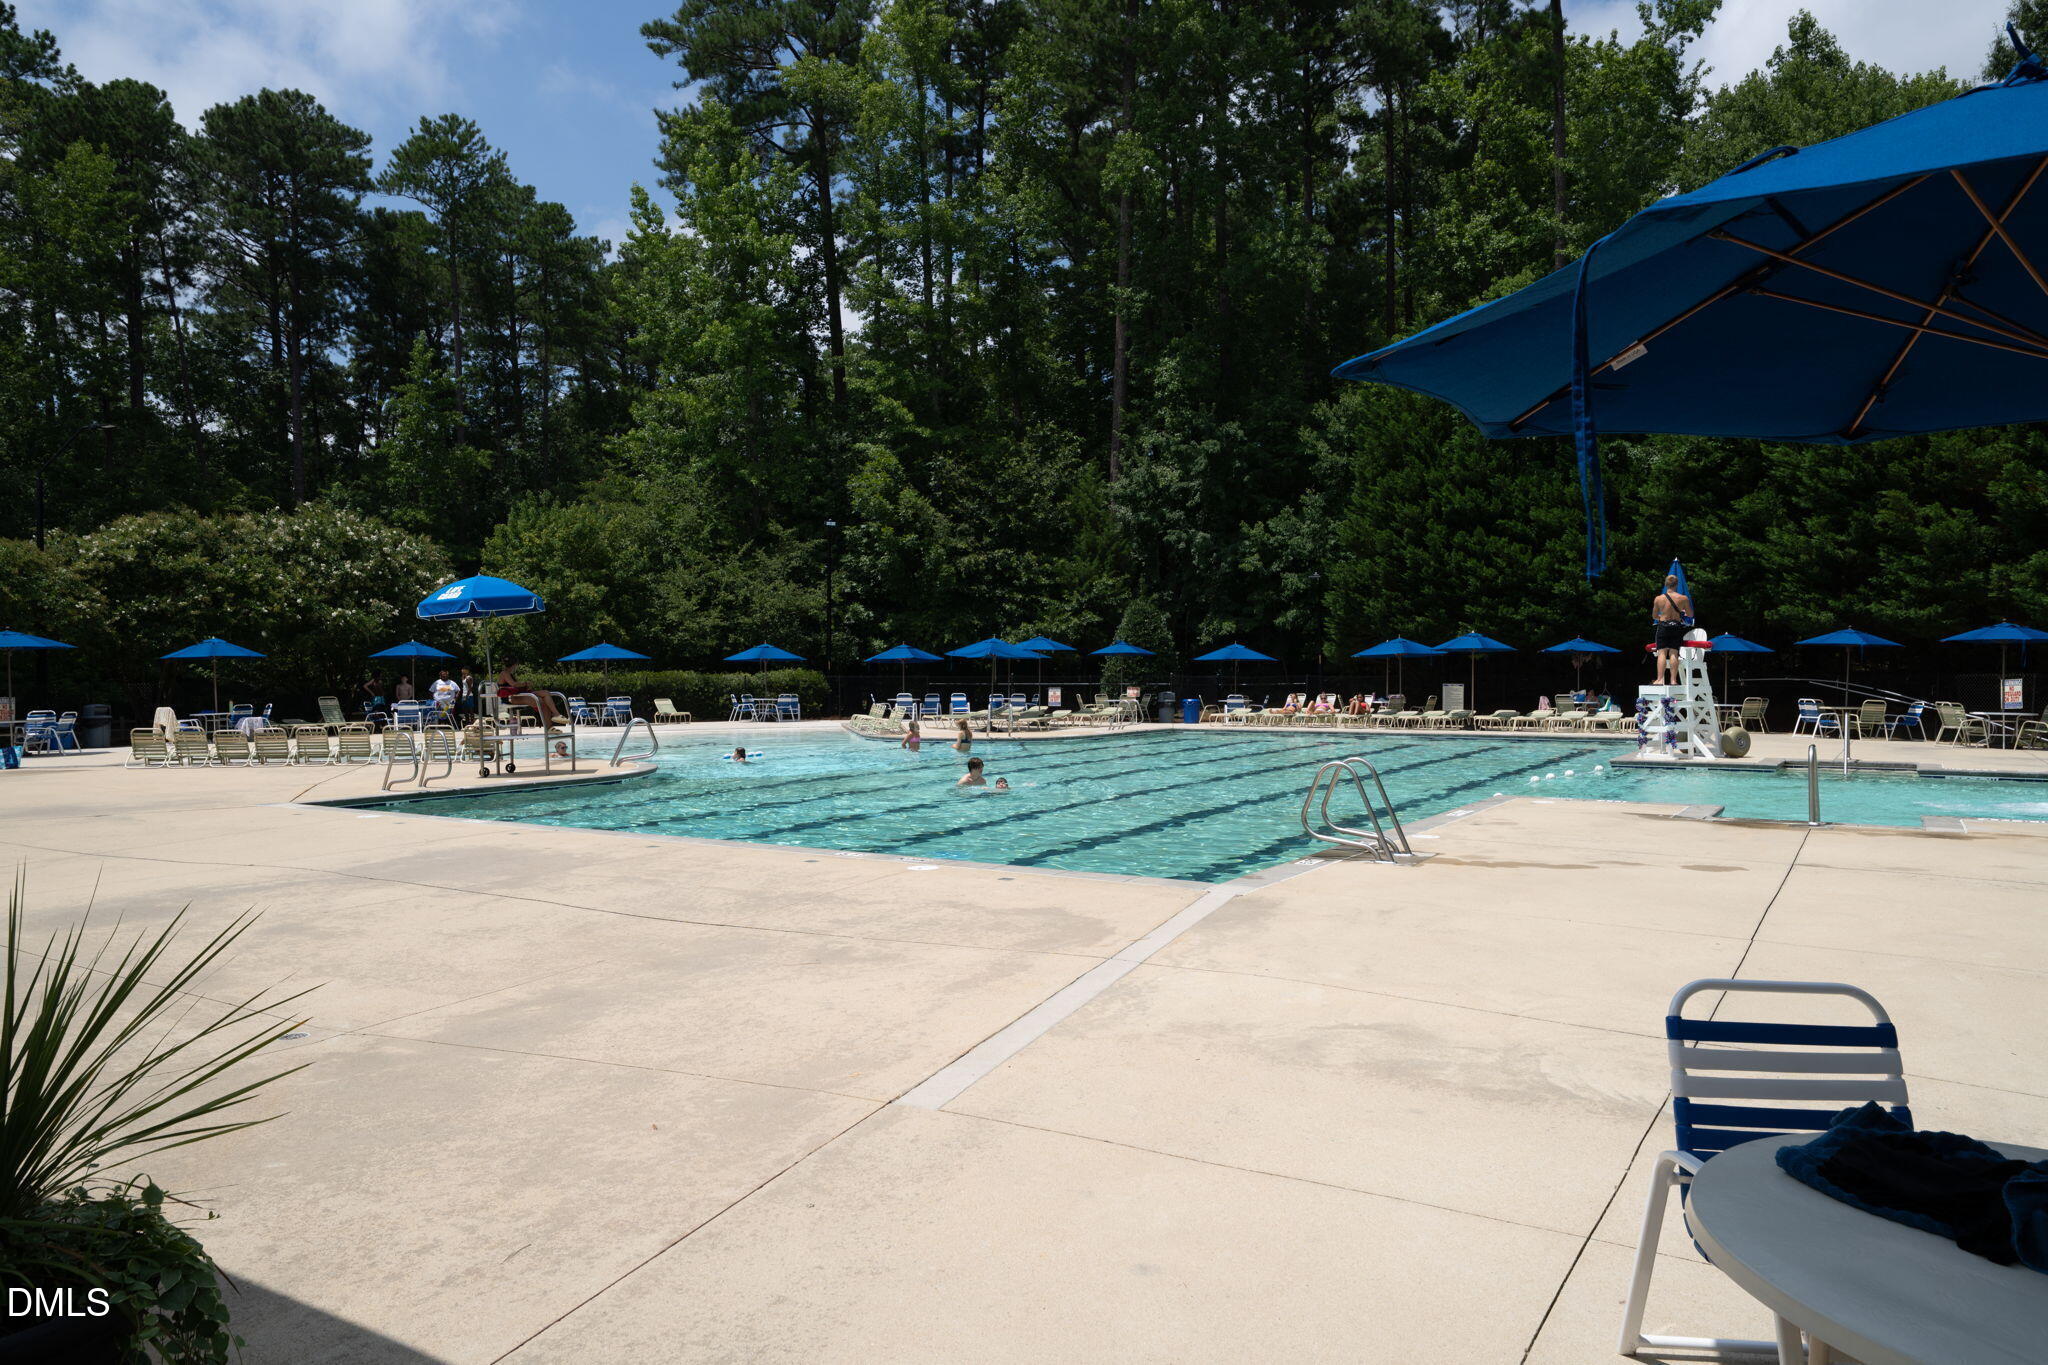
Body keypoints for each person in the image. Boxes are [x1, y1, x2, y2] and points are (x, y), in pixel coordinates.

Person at [1651, 573, 1694, 685]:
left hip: (1663, 626)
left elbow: (1654, 616)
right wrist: (1682, 612)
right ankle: (1673, 680)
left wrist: (1662, 617)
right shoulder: (1683, 598)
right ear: (1676, 585)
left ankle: (1660, 679)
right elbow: (1690, 614)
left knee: (1662, 653)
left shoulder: (1658, 599)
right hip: (1676, 626)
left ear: (1666, 585)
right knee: (1674, 653)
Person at [497, 660, 564, 729]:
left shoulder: (508, 674)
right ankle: (549, 727)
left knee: (545, 693)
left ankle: (556, 714)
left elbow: (514, 686)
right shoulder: (504, 673)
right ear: (515, 664)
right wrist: (525, 683)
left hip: (518, 695)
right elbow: (514, 684)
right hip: (511, 698)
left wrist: (524, 685)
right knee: (541, 701)